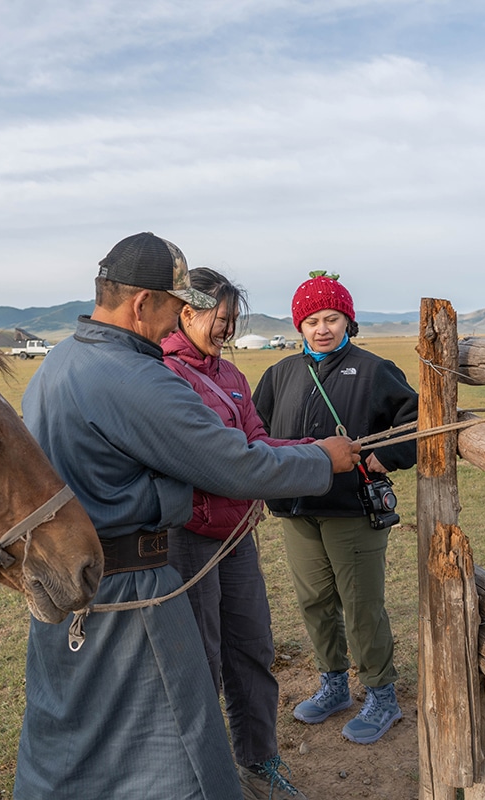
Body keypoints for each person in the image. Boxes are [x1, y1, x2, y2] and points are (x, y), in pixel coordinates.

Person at [15, 233, 361, 800]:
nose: (180, 319)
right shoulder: (136, 376)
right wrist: (322, 458)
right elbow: (233, 463)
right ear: (142, 304)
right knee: (170, 732)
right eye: (177, 307)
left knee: (79, 727)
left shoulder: (61, 361)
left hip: (74, 578)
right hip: (132, 581)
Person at [161, 267, 314, 800]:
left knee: (251, 645)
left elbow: (256, 443)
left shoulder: (231, 377)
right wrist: (315, 459)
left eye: (232, 320)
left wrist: (312, 451)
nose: (226, 329)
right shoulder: (165, 375)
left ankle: (257, 760)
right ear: (187, 311)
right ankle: (204, 775)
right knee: (200, 659)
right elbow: (212, 459)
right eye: (219, 318)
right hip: (191, 536)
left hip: (236, 535)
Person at [252, 273, 418, 746]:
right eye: (311, 320)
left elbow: (416, 417)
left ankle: (382, 695)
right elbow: (257, 432)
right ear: (299, 325)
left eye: (331, 318)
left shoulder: (373, 369)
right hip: (296, 509)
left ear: (348, 320)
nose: (322, 328)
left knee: (362, 606)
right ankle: (334, 685)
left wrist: (388, 457)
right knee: (314, 602)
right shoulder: (280, 374)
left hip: (351, 510)